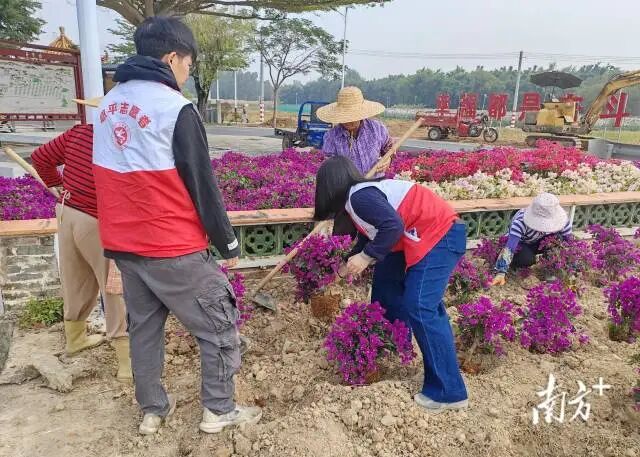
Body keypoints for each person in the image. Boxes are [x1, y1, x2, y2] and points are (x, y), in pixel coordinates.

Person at [92, 16, 261, 435]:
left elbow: (105, 176)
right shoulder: (174, 108)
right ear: (172, 58)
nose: (187, 73)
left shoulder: (108, 105)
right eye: (188, 64)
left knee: (144, 331)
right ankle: (219, 410)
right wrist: (228, 243)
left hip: (126, 247)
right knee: (218, 328)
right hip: (173, 246)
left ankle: (152, 411)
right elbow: (202, 183)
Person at [314, 156, 469, 412]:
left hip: (439, 235)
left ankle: (449, 392)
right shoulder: (360, 200)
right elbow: (371, 238)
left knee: (420, 306)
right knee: (385, 289)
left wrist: (365, 258)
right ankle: (395, 347)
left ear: (329, 188)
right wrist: (344, 266)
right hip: (417, 236)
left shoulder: (359, 197)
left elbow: (392, 226)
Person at [31, 98, 131, 383]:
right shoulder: (123, 141)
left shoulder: (80, 132)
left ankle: (75, 339)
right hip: (98, 221)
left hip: (68, 213)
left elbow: (40, 157)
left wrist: (57, 183)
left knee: (75, 279)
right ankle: (126, 365)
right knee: (115, 287)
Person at [491, 192, 572, 286]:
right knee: (527, 259)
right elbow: (510, 247)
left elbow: (568, 242)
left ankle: (550, 271)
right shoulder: (520, 222)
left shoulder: (562, 220)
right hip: (521, 244)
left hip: (540, 242)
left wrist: (571, 262)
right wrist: (501, 273)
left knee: (558, 240)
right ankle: (514, 264)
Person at [317, 86, 393, 177]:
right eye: (345, 116)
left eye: (352, 117)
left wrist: (388, 159)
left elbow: (389, 147)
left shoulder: (377, 128)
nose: (348, 121)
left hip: (375, 182)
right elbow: (329, 166)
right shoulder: (332, 137)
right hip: (348, 184)